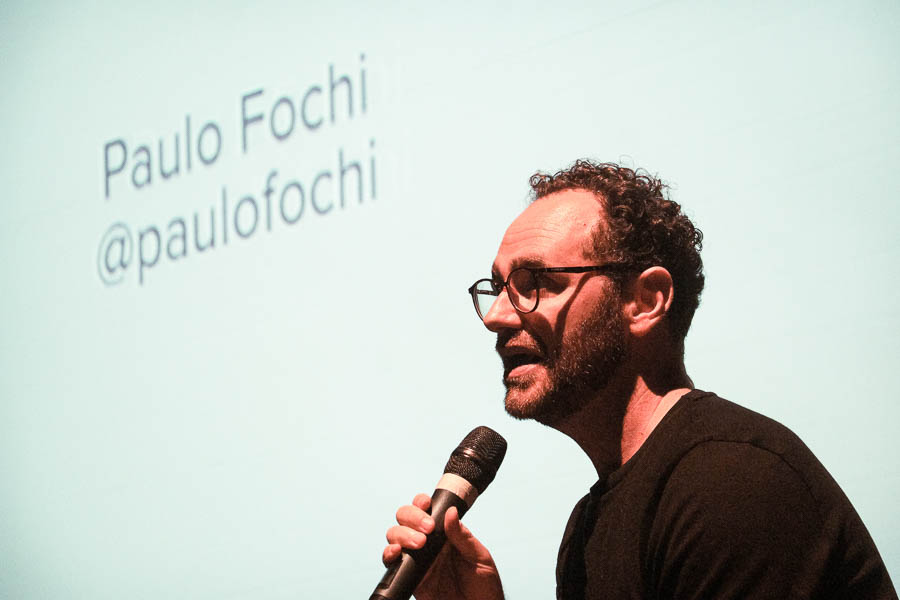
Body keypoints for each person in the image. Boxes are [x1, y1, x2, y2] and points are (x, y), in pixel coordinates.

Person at [381, 160, 897, 599]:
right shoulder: (588, 526)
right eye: (497, 287)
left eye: (536, 283)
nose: (496, 316)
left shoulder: (731, 484)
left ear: (645, 301)